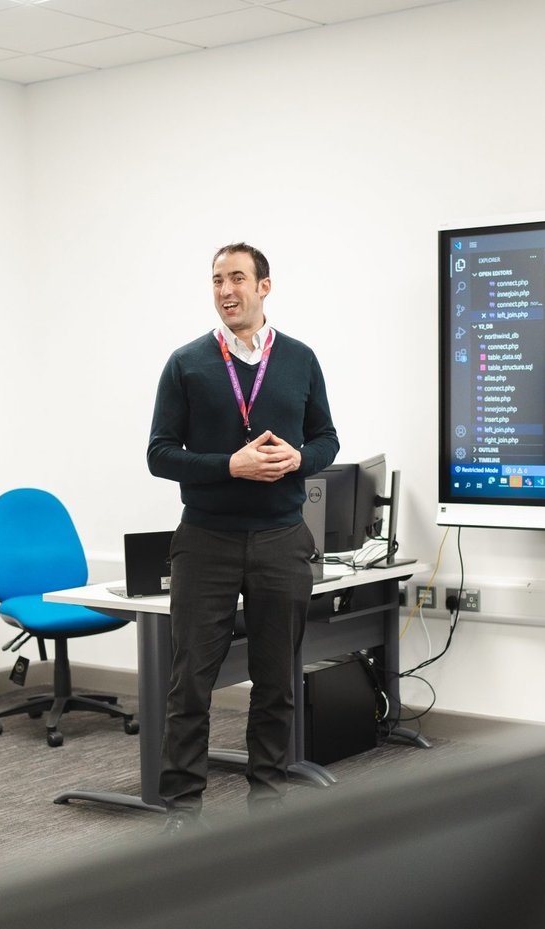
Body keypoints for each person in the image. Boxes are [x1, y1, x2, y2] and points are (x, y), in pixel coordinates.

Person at [147, 242, 340, 833]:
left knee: (277, 681)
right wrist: (228, 466)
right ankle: (182, 812)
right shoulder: (187, 363)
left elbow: (327, 439)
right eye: (216, 281)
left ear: (264, 287)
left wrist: (298, 459)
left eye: (236, 279)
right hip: (206, 539)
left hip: (281, 538)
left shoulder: (301, 359)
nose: (226, 291)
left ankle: (269, 809)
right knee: (190, 685)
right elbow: (160, 455)